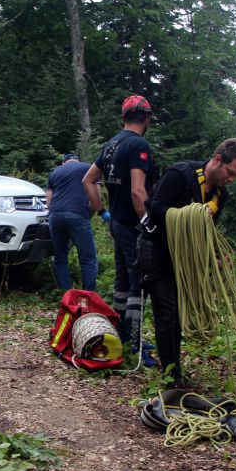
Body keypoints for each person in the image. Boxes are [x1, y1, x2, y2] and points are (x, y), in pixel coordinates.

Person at [138, 138, 236, 386]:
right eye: (229, 172)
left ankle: (174, 371)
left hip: (185, 259)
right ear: (217, 159)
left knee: (179, 314)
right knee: (166, 314)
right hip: (156, 249)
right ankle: (171, 377)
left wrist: (215, 257)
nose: (231, 178)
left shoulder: (221, 195)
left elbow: (208, 230)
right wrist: (188, 216)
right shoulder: (180, 174)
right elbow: (155, 207)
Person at [83, 95, 158, 365]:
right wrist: (150, 225)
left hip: (116, 222)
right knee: (138, 281)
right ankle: (135, 346)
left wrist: (102, 211)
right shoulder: (139, 145)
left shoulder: (111, 145)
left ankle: (120, 335)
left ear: (123, 118)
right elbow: (139, 191)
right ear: (147, 118)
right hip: (134, 225)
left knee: (123, 283)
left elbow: (88, 179)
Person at [46, 153, 101, 292]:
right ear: (78, 161)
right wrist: (87, 216)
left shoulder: (55, 172)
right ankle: (87, 296)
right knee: (88, 259)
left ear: (64, 163)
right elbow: (96, 198)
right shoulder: (88, 168)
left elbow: (48, 202)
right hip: (78, 214)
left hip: (54, 216)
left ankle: (66, 296)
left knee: (60, 258)